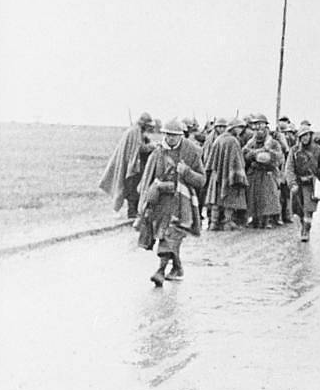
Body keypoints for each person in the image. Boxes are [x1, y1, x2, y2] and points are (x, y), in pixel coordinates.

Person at [135, 118, 204, 286]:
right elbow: (147, 180)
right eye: (168, 134)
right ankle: (178, 268)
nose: (171, 138)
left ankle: (160, 270)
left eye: (175, 135)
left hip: (182, 203)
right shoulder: (157, 154)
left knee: (170, 236)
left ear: (181, 135)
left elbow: (201, 180)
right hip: (161, 203)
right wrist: (145, 201)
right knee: (163, 236)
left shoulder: (192, 152)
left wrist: (187, 172)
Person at [99, 111, 156, 218]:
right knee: (132, 190)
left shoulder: (137, 131)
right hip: (132, 167)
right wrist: (152, 146)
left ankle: (134, 211)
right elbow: (139, 149)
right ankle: (132, 212)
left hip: (133, 166)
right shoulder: (135, 131)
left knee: (134, 189)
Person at [286, 123, 320, 241]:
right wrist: (292, 183)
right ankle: (303, 226)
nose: (305, 138)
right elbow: (289, 168)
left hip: (312, 185)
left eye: (307, 135)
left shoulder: (318, 150)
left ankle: (306, 231)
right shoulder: (294, 150)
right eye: (302, 136)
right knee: (299, 210)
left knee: (308, 210)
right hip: (298, 184)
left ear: (311, 136)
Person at [205, 118, 249, 231]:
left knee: (216, 199)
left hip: (216, 175)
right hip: (229, 174)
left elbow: (210, 160)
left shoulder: (218, 139)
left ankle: (213, 223)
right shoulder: (233, 141)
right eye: (239, 127)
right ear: (233, 128)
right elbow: (237, 160)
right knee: (229, 198)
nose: (241, 130)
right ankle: (227, 222)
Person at [243, 114, 284, 229]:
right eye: (256, 125)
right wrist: (256, 154)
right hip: (255, 172)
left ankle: (267, 219)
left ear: (266, 127)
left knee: (267, 196)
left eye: (261, 125)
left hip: (268, 172)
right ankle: (255, 219)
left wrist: (268, 155)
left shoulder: (273, 143)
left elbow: (279, 158)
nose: (259, 129)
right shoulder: (251, 142)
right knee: (253, 196)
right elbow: (245, 153)